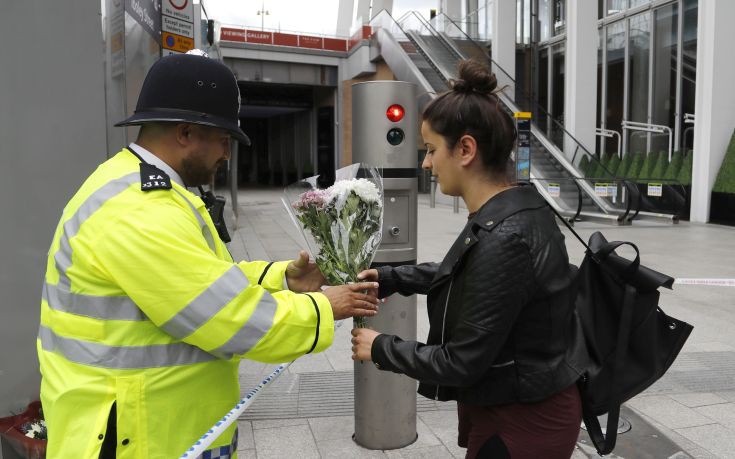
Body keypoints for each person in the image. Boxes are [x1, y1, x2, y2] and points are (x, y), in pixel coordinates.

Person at [37, 52, 379, 458]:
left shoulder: (141, 187)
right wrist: (324, 307)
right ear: (185, 133)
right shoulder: (139, 210)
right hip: (134, 436)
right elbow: (231, 319)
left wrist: (282, 278)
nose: (227, 154)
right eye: (222, 139)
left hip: (157, 425)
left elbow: (207, 279)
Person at [351, 60, 586, 459]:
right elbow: (467, 274)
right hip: (514, 404)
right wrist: (389, 277)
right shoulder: (510, 211)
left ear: (465, 149)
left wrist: (380, 347)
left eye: (429, 150)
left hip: (524, 423)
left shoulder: (507, 237)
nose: (425, 163)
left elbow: (461, 362)